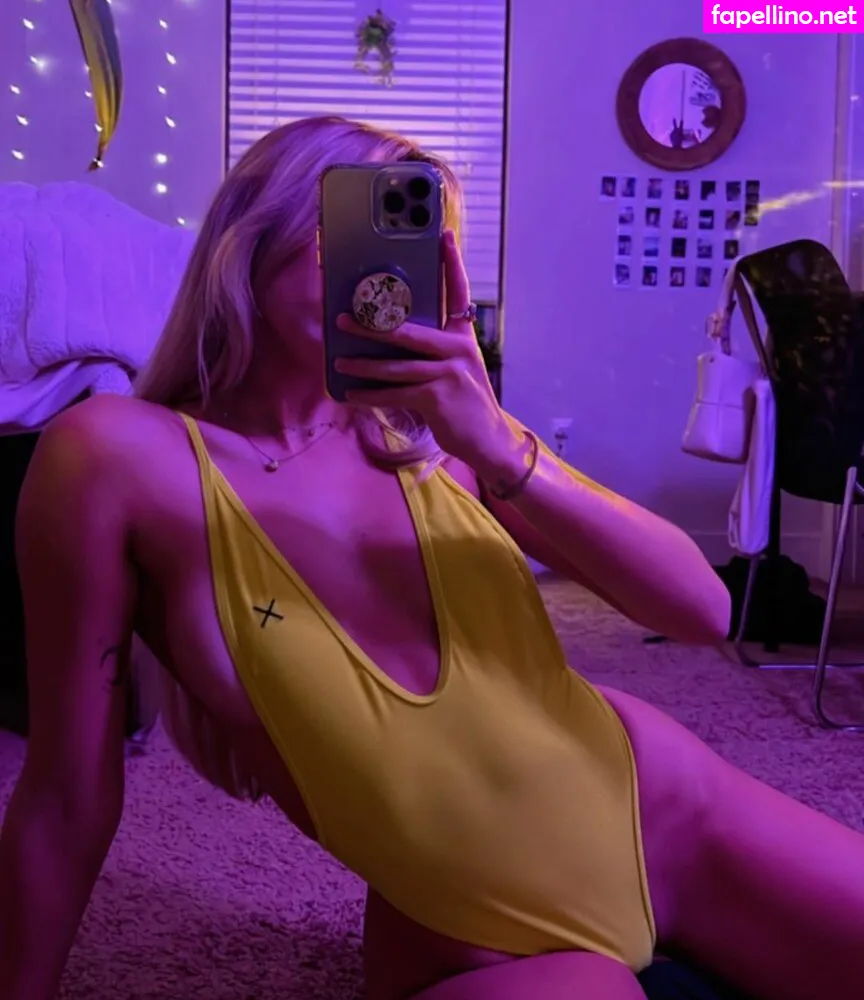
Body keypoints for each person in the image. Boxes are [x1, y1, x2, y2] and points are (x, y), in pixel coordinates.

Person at [0, 116, 862, 1000]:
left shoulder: (439, 440)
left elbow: (700, 610)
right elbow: (66, 793)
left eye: (415, 239)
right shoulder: (118, 457)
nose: (381, 270)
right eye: (355, 224)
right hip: (476, 936)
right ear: (254, 234)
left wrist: (494, 441)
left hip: (666, 815)